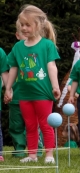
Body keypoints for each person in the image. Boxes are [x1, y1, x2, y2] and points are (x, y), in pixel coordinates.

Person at [4, 4, 61, 164]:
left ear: (39, 25)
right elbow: (13, 68)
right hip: (24, 93)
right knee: (29, 125)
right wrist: (8, 88)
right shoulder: (18, 47)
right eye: (22, 24)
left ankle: (49, 154)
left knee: (45, 124)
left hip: (43, 93)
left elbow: (51, 67)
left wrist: (55, 86)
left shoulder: (47, 45)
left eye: (27, 24)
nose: (24, 28)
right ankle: (33, 155)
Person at [8, 24, 44, 158]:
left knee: (34, 124)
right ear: (18, 36)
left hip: (34, 96)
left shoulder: (38, 51)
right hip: (16, 97)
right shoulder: (15, 51)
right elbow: (7, 70)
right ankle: (19, 149)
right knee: (16, 125)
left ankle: (37, 149)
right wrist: (8, 89)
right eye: (24, 35)